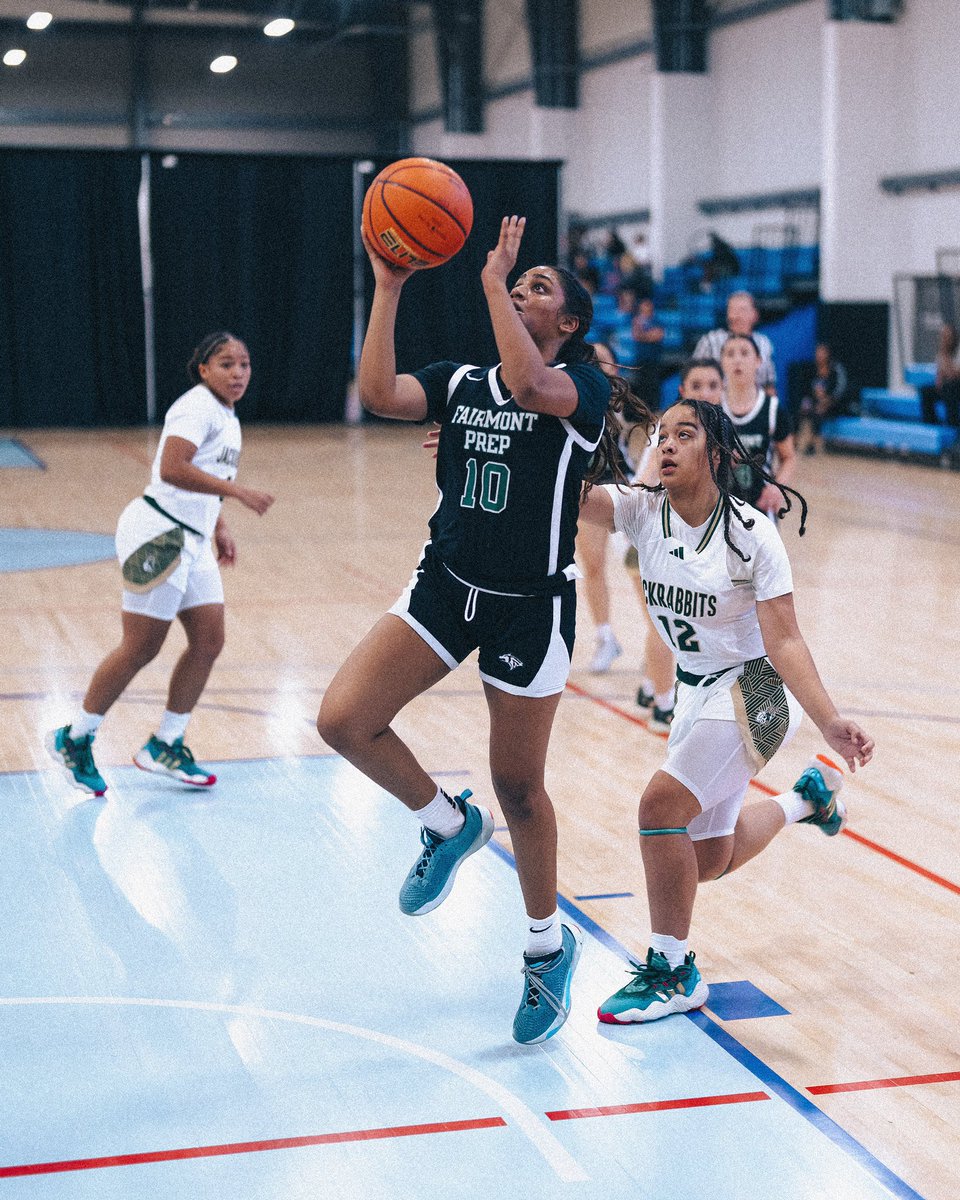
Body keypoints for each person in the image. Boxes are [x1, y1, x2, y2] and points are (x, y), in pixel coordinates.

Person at [317, 216, 651, 1046]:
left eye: (539, 287)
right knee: (343, 720)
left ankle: (545, 946)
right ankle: (443, 821)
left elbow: (533, 387)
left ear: (569, 323)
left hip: (529, 606)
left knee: (522, 790)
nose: (520, 288)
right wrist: (389, 288)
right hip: (445, 585)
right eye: (517, 282)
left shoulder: (582, 388)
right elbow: (379, 394)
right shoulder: (464, 381)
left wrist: (491, 281)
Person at [579, 398, 874, 1023]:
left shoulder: (750, 533)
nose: (666, 444)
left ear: (714, 454)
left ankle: (672, 971)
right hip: (696, 690)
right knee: (705, 860)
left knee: (659, 808)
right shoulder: (640, 508)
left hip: (759, 687)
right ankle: (807, 799)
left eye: (684, 435)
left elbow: (786, 640)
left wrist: (829, 719)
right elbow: (569, 497)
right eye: (660, 434)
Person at [46, 332, 275, 797]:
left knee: (209, 641)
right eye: (226, 364)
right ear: (203, 369)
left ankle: (165, 743)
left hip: (191, 535)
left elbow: (208, 474)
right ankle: (75, 737)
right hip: (158, 533)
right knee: (141, 646)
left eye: (245, 364)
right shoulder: (196, 406)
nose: (238, 373)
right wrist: (239, 492)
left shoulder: (226, 415)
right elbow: (172, 468)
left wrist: (220, 526)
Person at [629, 358, 725, 730]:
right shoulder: (670, 435)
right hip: (653, 541)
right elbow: (643, 488)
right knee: (664, 626)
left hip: (690, 542)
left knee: (678, 624)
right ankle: (663, 707)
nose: (705, 393)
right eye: (696, 386)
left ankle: (649, 685)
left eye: (712, 385)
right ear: (682, 391)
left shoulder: (718, 432)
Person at [720, 333, 796, 518]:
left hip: (760, 507)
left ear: (758, 361)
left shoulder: (772, 409)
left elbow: (789, 458)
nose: (737, 359)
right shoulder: (713, 407)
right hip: (719, 506)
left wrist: (777, 488)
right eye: (730, 354)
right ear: (722, 362)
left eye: (744, 353)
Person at [694, 291, 776, 395]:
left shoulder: (764, 343)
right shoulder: (710, 341)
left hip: (752, 404)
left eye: (742, 310)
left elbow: (769, 385)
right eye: (732, 309)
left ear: (755, 315)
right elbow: (694, 377)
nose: (736, 315)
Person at [797, 342, 848, 455]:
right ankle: (795, 441)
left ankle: (813, 444)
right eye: (817, 352)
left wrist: (827, 401)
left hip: (835, 405)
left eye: (822, 352)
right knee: (803, 410)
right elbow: (807, 390)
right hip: (817, 403)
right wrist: (806, 402)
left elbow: (840, 391)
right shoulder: (812, 369)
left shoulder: (836, 369)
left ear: (828, 354)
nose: (819, 355)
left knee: (818, 412)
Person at [919, 322, 960, 430]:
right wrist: (939, 381)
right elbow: (939, 376)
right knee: (925, 390)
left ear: (953, 337)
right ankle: (930, 426)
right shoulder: (941, 353)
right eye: (943, 336)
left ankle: (953, 427)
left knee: (949, 387)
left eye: (947, 336)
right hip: (948, 387)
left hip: (956, 387)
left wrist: (945, 354)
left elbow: (954, 374)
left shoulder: (957, 352)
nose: (944, 339)